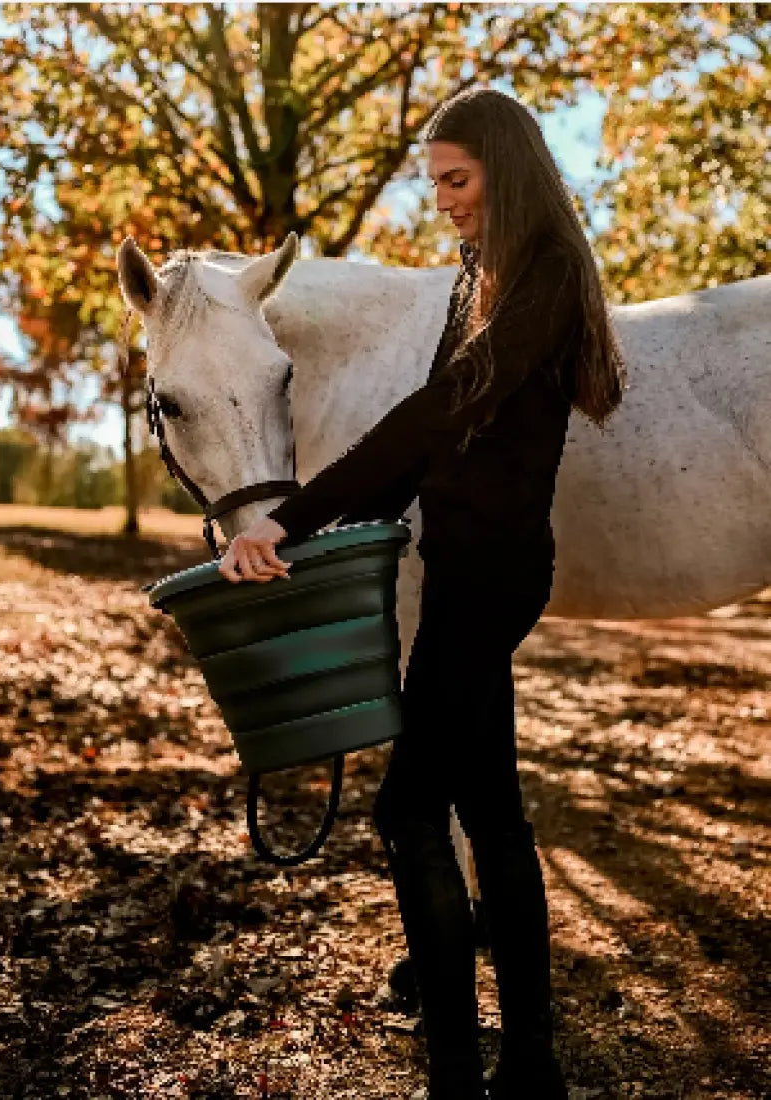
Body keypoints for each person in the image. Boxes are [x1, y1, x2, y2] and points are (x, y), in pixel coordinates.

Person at [218, 87, 626, 1100]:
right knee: (490, 809)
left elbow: (437, 413)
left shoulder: (543, 274)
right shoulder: (479, 271)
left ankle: (455, 1071)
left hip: (493, 579)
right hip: (456, 572)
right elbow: (423, 448)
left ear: (505, 168)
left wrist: (289, 516)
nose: (441, 199)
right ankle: (528, 1065)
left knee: (408, 808)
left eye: (455, 178)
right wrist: (310, 532)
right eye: (433, 181)